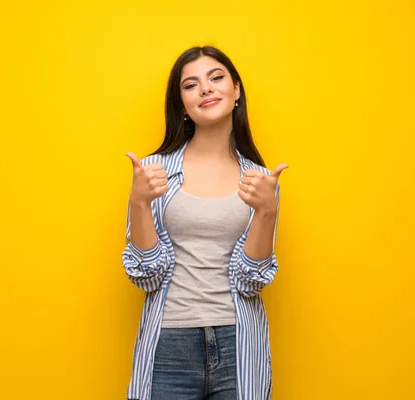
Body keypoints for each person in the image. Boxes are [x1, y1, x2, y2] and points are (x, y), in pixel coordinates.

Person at [122, 45, 287, 400]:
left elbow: (251, 281)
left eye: (216, 78)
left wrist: (267, 211)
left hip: (238, 341)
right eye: (191, 84)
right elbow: (146, 275)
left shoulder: (260, 179)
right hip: (169, 342)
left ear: (237, 90)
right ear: (181, 104)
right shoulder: (152, 173)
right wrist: (138, 202)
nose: (206, 89)